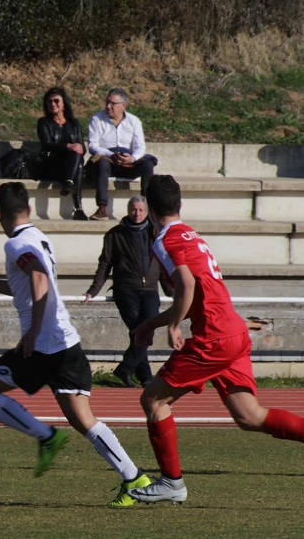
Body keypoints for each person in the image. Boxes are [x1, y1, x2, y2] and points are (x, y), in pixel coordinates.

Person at [0, 181, 150, 507]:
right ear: (30, 209)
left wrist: (33, 331)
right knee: (83, 419)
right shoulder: (39, 237)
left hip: (43, 346)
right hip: (66, 342)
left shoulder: (16, 245)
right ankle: (135, 478)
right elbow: (26, 285)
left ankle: (46, 437)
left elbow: (37, 278)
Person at [128, 175, 304, 504]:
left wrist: (173, 326)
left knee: (153, 401)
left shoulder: (165, 240)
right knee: (250, 416)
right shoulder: (192, 235)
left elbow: (186, 285)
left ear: (150, 209)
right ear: (179, 204)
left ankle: (172, 483)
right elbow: (195, 292)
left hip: (214, 337)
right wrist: (151, 323)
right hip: (234, 331)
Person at [83, 195, 168, 387]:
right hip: (126, 290)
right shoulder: (115, 234)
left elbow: (163, 263)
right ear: (128, 210)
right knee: (139, 332)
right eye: (133, 209)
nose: (136, 214)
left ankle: (126, 368)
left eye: (140, 210)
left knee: (147, 330)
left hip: (150, 290)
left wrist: (172, 289)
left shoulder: (157, 233)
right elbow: (105, 264)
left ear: (147, 212)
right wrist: (93, 290)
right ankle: (145, 377)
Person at [87, 88, 158, 221]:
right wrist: (111, 154)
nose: (108, 106)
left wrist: (132, 158)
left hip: (128, 161)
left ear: (123, 105)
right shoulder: (97, 119)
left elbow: (140, 147)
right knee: (102, 163)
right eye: (107, 102)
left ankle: (147, 207)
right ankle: (102, 208)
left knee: (148, 164)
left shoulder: (134, 121)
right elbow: (92, 145)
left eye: (113, 103)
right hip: (108, 160)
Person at [37, 87, 87, 220]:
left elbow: (83, 148)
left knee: (78, 157)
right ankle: (78, 207)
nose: (53, 104)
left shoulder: (74, 124)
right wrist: (68, 146)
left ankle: (70, 184)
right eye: (49, 102)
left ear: (64, 104)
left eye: (56, 101)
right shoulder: (44, 123)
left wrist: (78, 148)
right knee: (77, 160)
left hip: (71, 165)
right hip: (52, 164)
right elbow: (46, 144)